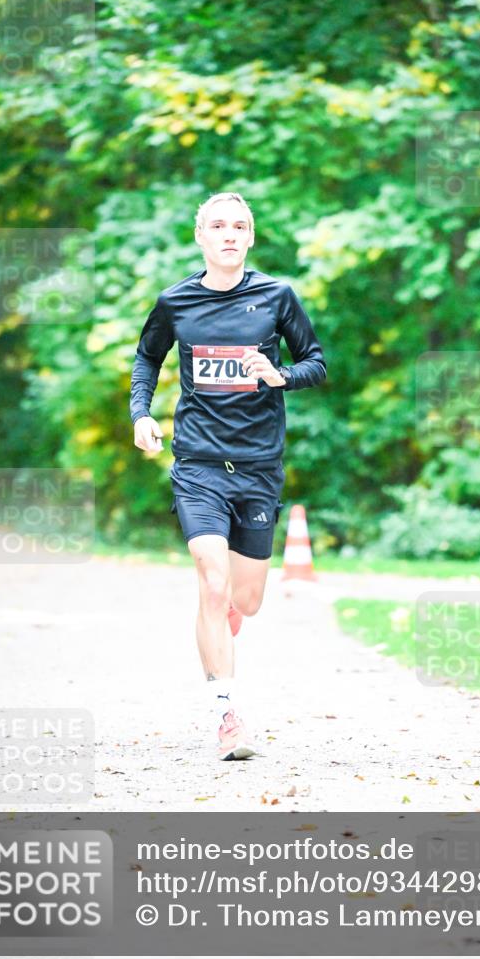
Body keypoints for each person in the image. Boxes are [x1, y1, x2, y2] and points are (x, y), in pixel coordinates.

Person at [130, 192, 326, 761]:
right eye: (218, 226)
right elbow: (147, 358)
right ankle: (226, 714)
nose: (229, 235)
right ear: (201, 236)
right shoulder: (176, 302)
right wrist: (141, 413)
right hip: (198, 465)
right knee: (211, 584)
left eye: (239, 226)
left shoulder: (277, 296)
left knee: (248, 599)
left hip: (259, 467)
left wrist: (280, 375)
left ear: (251, 236)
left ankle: (228, 611)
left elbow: (316, 362)